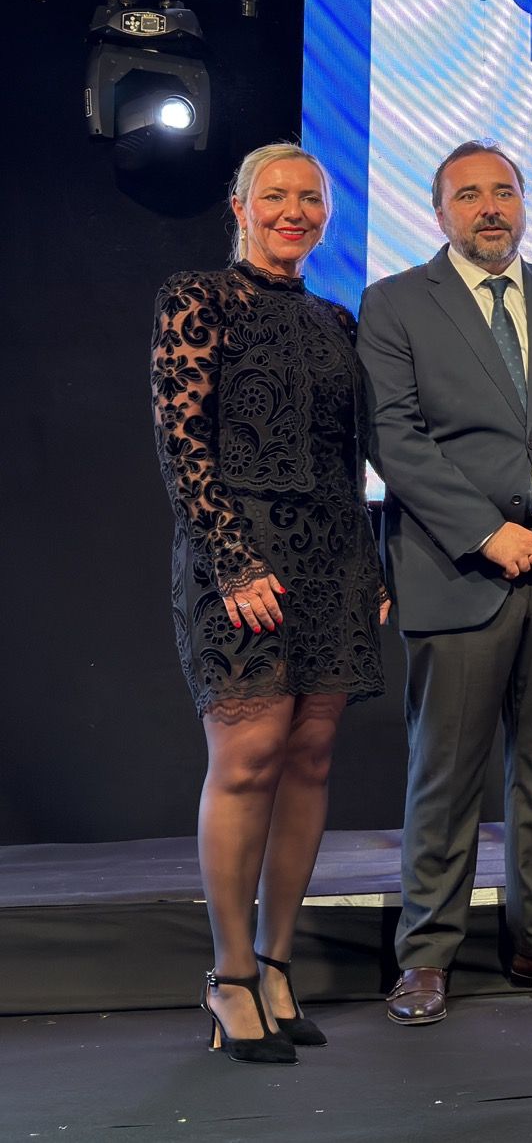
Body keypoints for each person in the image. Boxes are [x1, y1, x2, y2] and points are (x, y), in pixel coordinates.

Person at [358, 141, 532, 1024]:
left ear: (523, 204)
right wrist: (489, 533)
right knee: (445, 778)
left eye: (503, 192)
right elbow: (395, 439)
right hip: (457, 573)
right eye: (468, 195)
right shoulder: (395, 302)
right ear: (437, 213)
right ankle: (427, 959)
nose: (489, 208)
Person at [150, 141, 388, 1063]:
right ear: (241, 205)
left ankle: (280, 964)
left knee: (313, 758)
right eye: (276, 195)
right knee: (247, 757)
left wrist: (370, 570)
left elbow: (350, 459)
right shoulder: (196, 296)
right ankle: (231, 975)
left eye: (312, 198)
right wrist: (232, 560)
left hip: (333, 555)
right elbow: (182, 440)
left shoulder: (336, 317)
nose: (296, 210)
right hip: (238, 552)